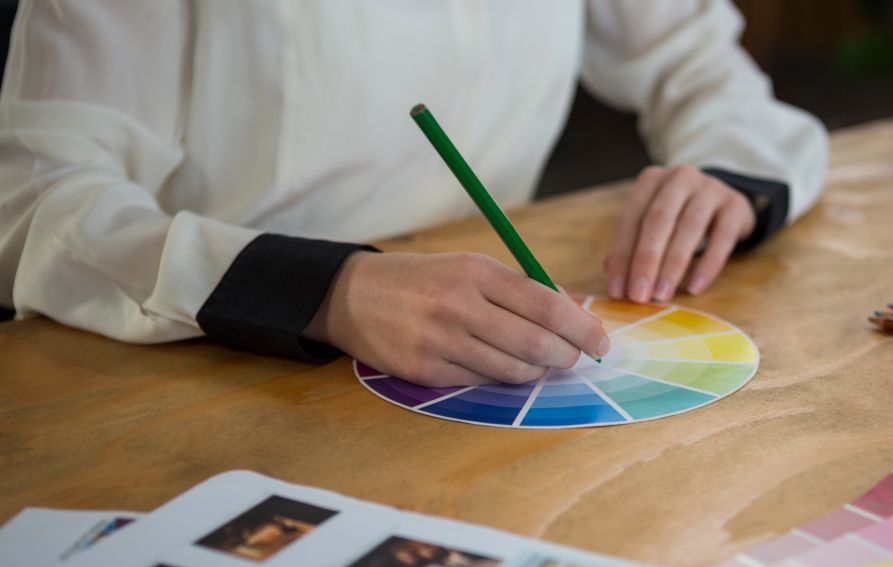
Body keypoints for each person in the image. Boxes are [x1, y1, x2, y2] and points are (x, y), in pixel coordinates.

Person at [0, 1, 827, 387]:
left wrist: (731, 174)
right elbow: (35, 200)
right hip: (208, 367)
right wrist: (326, 291)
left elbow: (701, 66)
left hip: (493, 361)